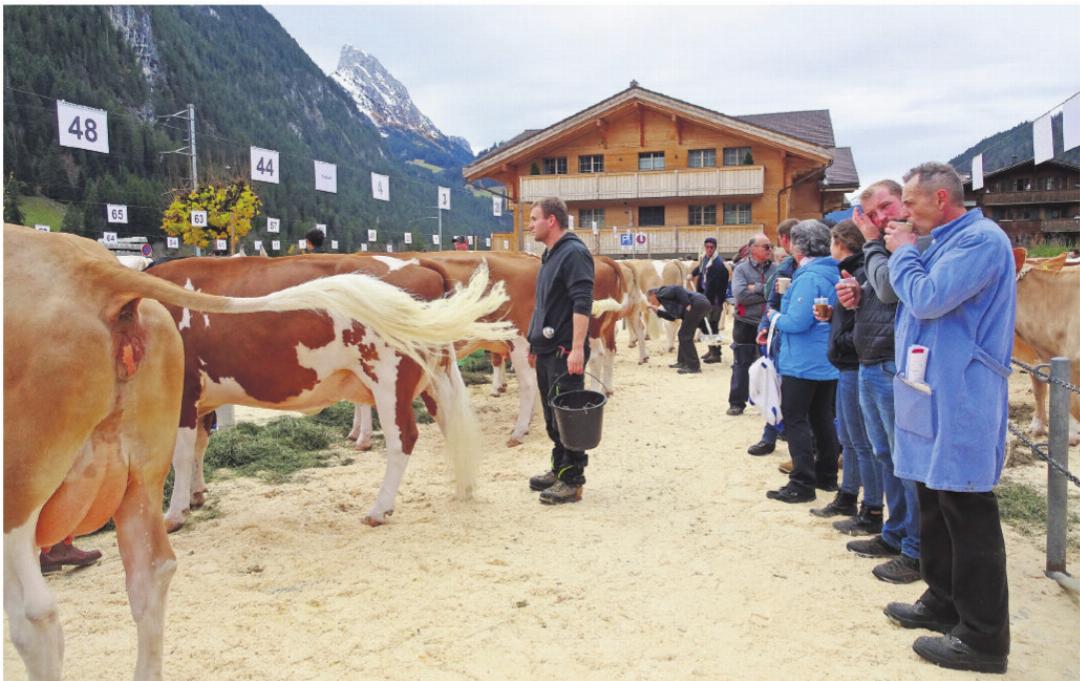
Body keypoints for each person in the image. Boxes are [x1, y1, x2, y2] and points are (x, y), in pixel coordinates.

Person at [881, 162, 1013, 673]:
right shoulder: (943, 240)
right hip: (930, 387)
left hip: (963, 393)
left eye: (910, 203)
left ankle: (984, 640)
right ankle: (942, 600)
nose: (904, 214)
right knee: (932, 496)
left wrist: (903, 256)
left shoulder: (979, 241)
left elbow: (929, 298)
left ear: (940, 198)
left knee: (967, 509)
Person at [838, 180, 923, 585]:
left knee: (906, 461)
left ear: (903, 199)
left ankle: (915, 548)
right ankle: (894, 533)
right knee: (886, 455)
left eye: (886, 206)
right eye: (871, 215)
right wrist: (858, 293)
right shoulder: (890, 245)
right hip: (872, 359)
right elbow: (881, 292)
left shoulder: (909, 242)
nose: (880, 218)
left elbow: (891, 290)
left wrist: (871, 241)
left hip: (894, 363)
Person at [764, 220, 840, 503]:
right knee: (822, 417)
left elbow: (797, 322)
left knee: (795, 418)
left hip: (803, 360)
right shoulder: (833, 272)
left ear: (798, 246)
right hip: (826, 360)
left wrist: (773, 317)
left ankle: (802, 482)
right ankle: (827, 475)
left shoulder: (808, 277)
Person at [525, 197, 594, 505]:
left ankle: (572, 480)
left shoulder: (574, 253)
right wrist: (533, 342)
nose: (530, 224)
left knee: (569, 417)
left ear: (551, 221)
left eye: (534, 218)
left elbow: (582, 302)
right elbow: (545, 304)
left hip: (566, 351)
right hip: (547, 350)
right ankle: (559, 467)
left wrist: (577, 349)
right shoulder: (550, 254)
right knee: (553, 417)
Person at [809, 220, 880, 519]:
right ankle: (848, 494)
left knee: (860, 441)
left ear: (839, 243)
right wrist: (833, 320)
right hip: (847, 361)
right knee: (849, 438)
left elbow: (870, 323)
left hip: (853, 361)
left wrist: (842, 340)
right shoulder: (855, 270)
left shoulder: (862, 272)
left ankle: (871, 507)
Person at [747, 218, 798, 456]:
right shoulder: (787, 266)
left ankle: (782, 439)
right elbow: (771, 299)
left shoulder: (789, 267)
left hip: (793, 337)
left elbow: (769, 295)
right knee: (775, 385)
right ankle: (771, 435)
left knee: (783, 388)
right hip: (782, 335)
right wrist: (766, 326)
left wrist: (768, 322)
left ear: (784, 240)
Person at [728, 234, 775, 415]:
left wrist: (755, 288)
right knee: (741, 363)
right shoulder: (740, 269)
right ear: (752, 249)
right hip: (745, 323)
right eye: (766, 247)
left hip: (769, 324)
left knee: (769, 364)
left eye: (770, 246)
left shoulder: (776, 268)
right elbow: (740, 296)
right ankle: (737, 402)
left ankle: (768, 403)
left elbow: (778, 294)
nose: (770, 250)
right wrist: (766, 291)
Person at [647, 285, 711, 374]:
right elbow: (673, 318)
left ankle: (694, 367)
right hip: (700, 304)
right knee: (683, 334)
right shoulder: (664, 300)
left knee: (684, 335)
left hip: (697, 304)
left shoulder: (661, 292)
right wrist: (658, 311)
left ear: (653, 295)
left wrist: (687, 303)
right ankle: (682, 362)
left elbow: (678, 289)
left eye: (649, 300)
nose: (651, 302)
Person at [690, 237, 729, 364]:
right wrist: (692, 274)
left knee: (712, 327)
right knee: (707, 326)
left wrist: (705, 300)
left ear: (715, 248)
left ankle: (716, 354)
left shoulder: (717, 264)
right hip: (707, 298)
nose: (709, 249)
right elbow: (700, 268)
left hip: (714, 301)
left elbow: (714, 286)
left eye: (711, 247)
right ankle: (711, 349)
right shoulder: (706, 259)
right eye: (707, 247)